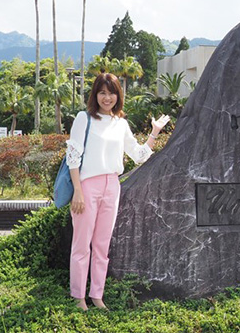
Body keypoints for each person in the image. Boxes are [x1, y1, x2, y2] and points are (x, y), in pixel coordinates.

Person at [66, 72, 170, 311]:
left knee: (102, 246)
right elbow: (73, 157)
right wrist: (77, 191)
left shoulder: (121, 123)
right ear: (95, 95)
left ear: (118, 96)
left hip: (112, 186)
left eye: (111, 93)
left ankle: (97, 296)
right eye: (102, 92)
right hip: (87, 186)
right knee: (81, 245)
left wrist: (154, 132)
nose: (107, 98)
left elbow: (138, 155)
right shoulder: (84, 118)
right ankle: (78, 297)